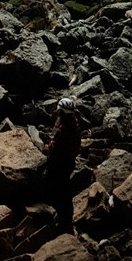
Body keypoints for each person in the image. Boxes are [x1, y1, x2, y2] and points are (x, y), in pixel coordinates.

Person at [44, 96, 82, 234]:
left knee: (60, 189)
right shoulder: (75, 122)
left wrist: (49, 145)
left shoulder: (64, 129)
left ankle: (62, 219)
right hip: (69, 160)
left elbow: (55, 147)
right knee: (65, 188)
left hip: (61, 162)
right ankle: (66, 217)